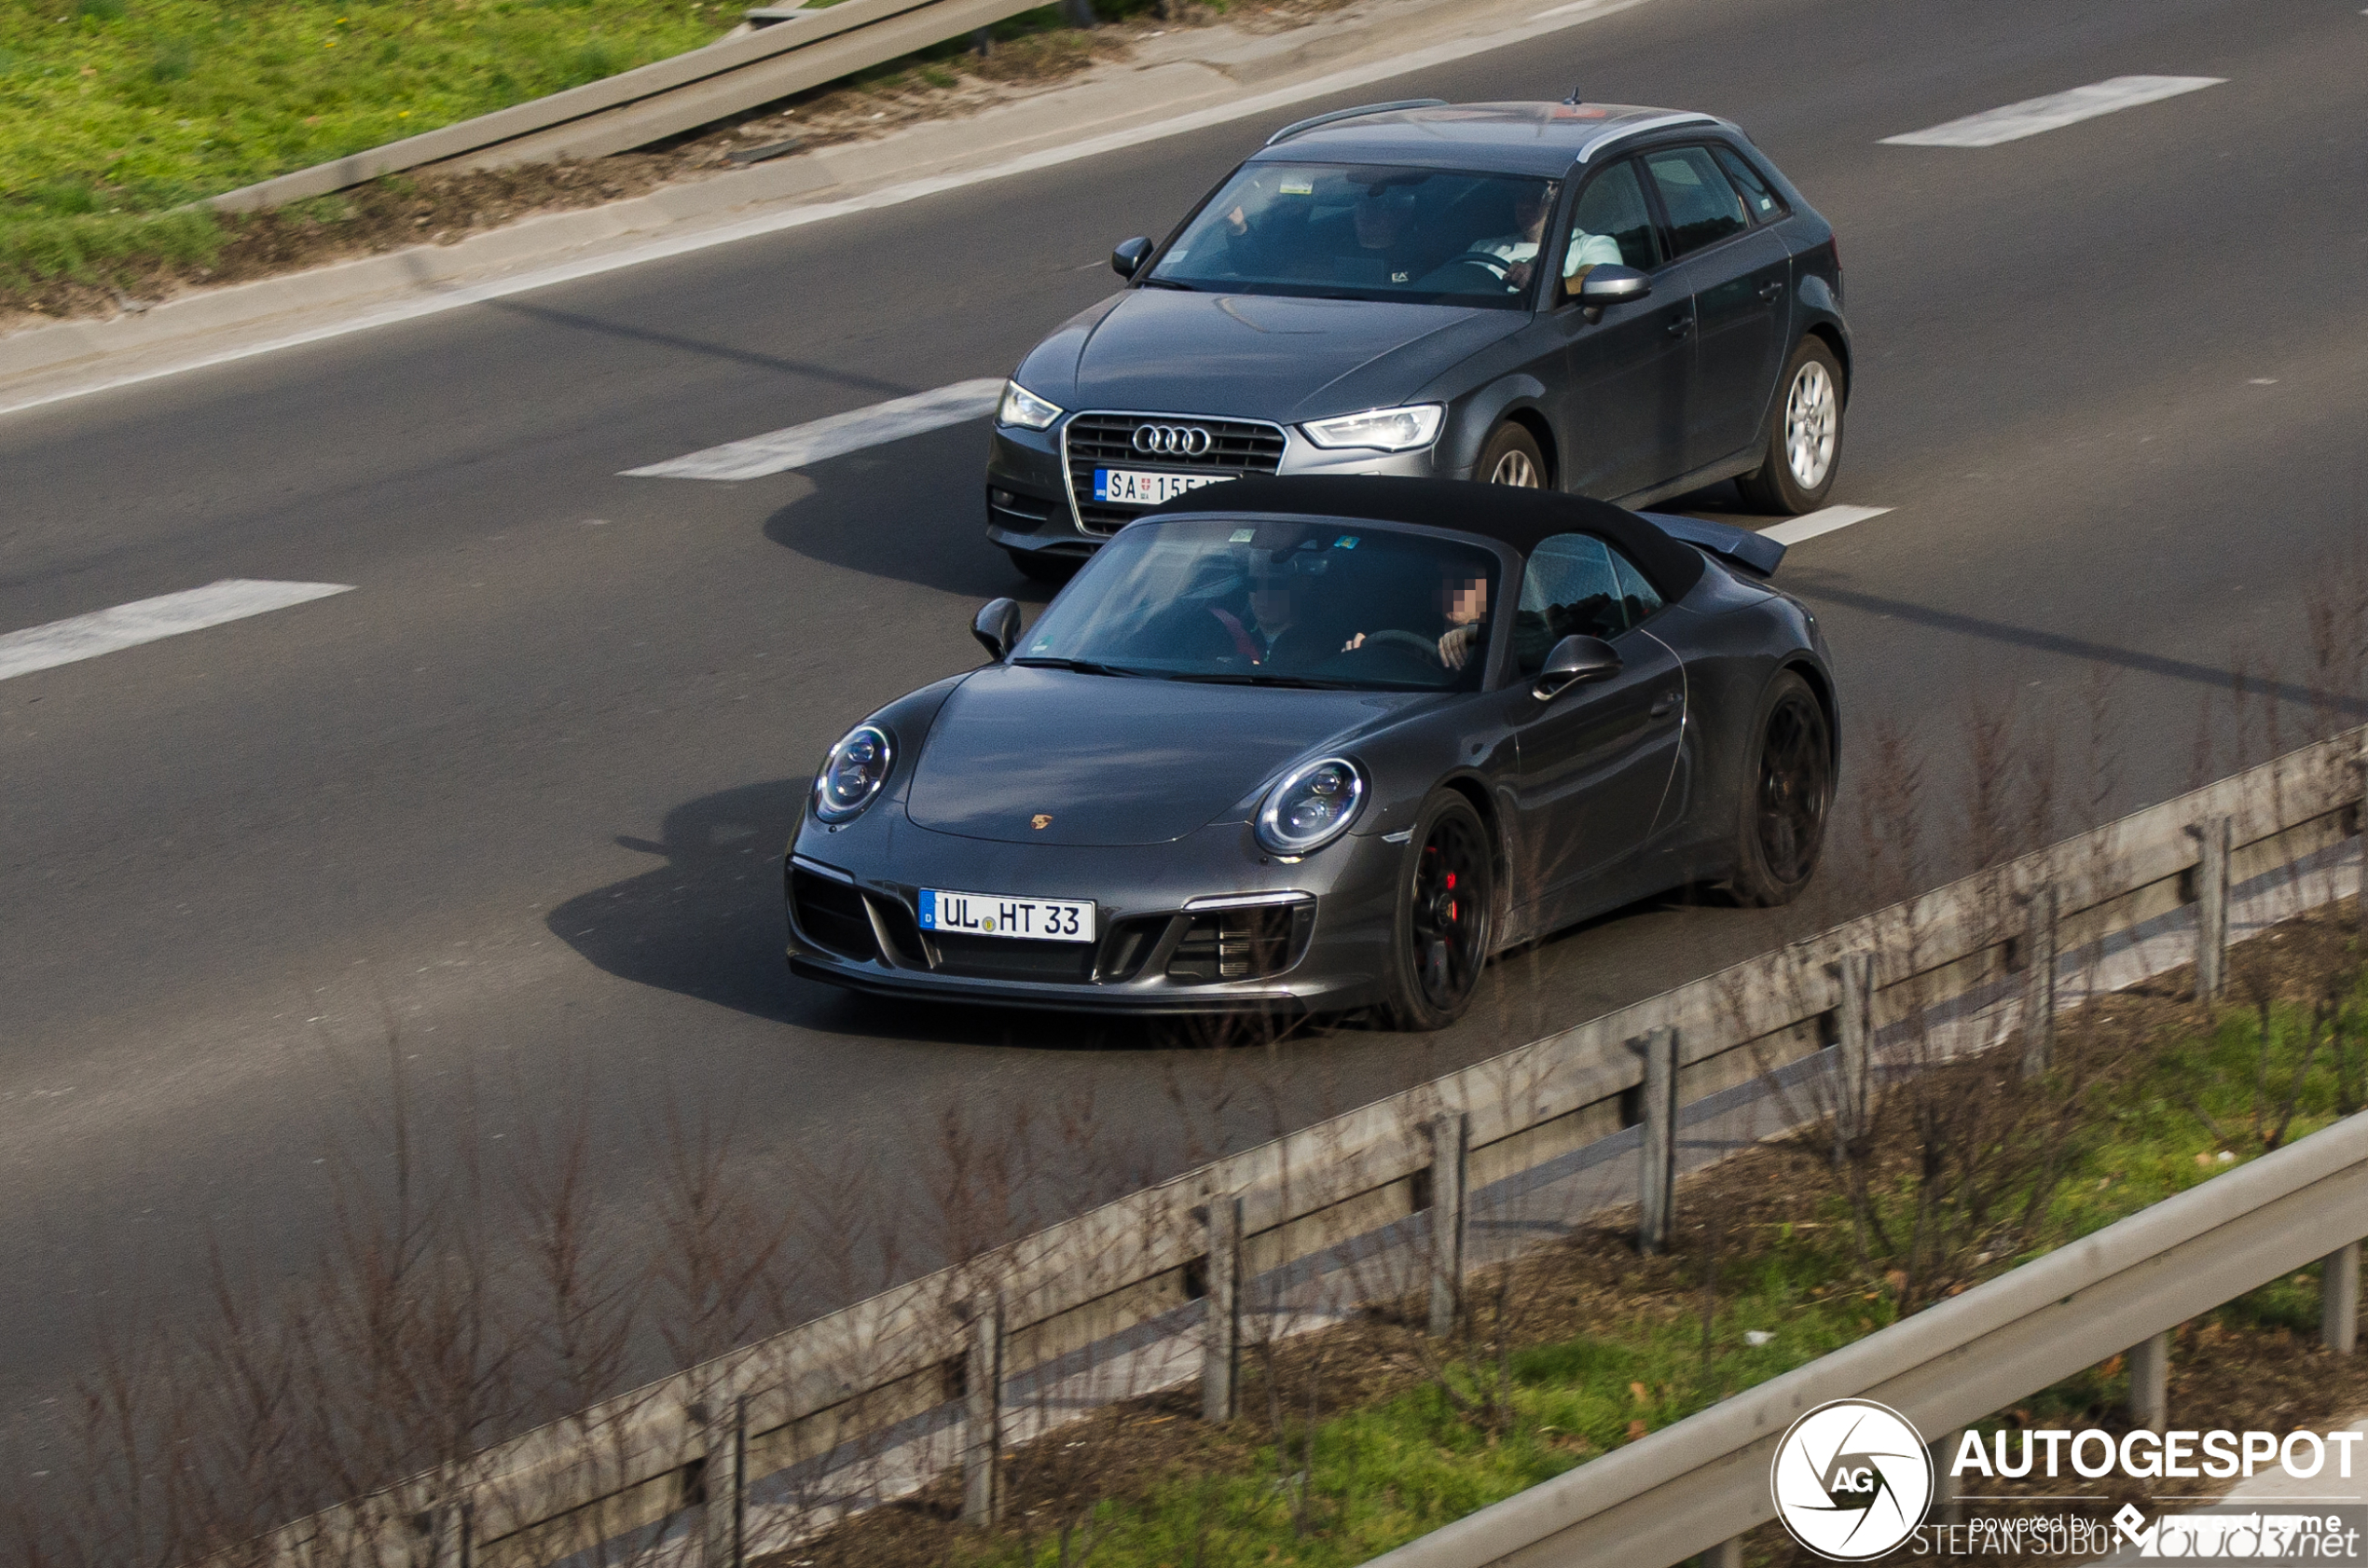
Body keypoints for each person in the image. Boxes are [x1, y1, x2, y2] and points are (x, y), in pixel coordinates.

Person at [1342, 566, 1493, 671]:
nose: (1452, 588)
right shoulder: (1414, 640)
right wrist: (1363, 657)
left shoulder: (1504, 636)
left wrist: (1477, 632)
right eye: (1444, 579)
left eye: (1467, 579)